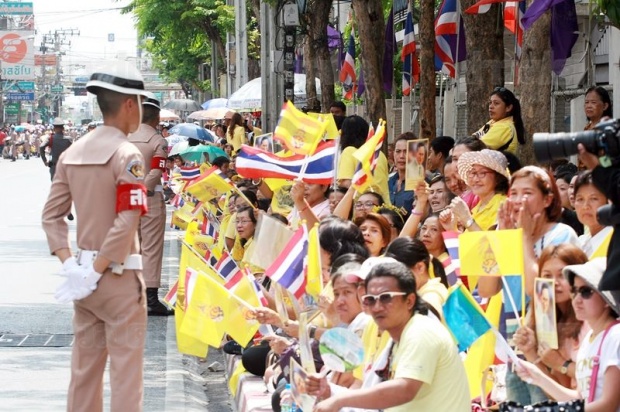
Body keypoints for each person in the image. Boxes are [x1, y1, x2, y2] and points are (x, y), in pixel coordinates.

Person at [41, 61, 149, 411]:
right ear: (130, 104)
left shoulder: (72, 153)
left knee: (84, 372)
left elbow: (52, 216)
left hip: (83, 284)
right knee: (125, 374)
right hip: (118, 277)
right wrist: (99, 268)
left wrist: (72, 266)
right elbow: (127, 218)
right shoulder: (127, 154)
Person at [309, 260, 470, 412]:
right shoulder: (395, 339)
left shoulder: (420, 331)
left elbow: (404, 389)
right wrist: (330, 391)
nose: (377, 307)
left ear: (409, 300)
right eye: (370, 299)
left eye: (386, 297)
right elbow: (371, 390)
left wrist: (339, 400)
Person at [515, 258, 620, 411]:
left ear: (606, 298)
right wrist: (537, 376)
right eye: (574, 291)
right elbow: (580, 398)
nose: (576, 299)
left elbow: (608, 404)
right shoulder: (590, 340)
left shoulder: (615, 336)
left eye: (586, 292)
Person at [513, 244, 588, 397]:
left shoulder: (591, 320)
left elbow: (595, 376)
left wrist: (562, 364)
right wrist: (530, 353)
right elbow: (558, 392)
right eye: (547, 276)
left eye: (562, 275)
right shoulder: (549, 323)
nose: (554, 282)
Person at [128, 92, 173, 316]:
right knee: (151, 248)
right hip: (150, 198)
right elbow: (157, 170)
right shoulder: (158, 141)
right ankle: (151, 299)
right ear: (156, 118)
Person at [472, 86, 525, 154]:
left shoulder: (505, 127)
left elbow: (474, 147)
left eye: (496, 103)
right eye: (490, 103)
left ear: (508, 108)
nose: (490, 106)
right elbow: (472, 140)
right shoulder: (493, 122)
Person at [572, 170, 612, 258]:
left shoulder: (614, 243)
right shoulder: (580, 243)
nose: (585, 206)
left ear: (608, 201)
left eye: (593, 199)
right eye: (580, 199)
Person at [388, 133, 416, 216]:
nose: (401, 156)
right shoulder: (388, 181)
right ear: (393, 154)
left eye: (406, 151)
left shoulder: (421, 183)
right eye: (398, 151)